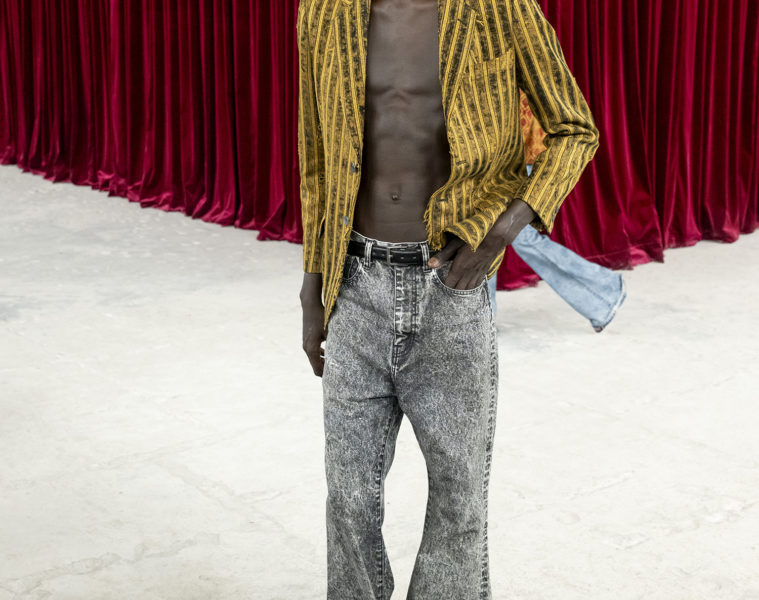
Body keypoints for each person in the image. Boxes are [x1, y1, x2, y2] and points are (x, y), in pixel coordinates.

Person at [296, 0, 599, 597]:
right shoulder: (323, 11)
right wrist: (312, 287)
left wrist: (503, 230)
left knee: (459, 499)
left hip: (450, 291)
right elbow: (316, 158)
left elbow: (575, 128)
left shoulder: (500, 9)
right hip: (355, 284)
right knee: (348, 498)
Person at [487, 91, 626, 331]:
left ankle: (604, 291)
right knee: (487, 237)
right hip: (504, 161)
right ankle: (483, 321)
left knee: (518, 238)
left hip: (524, 161)